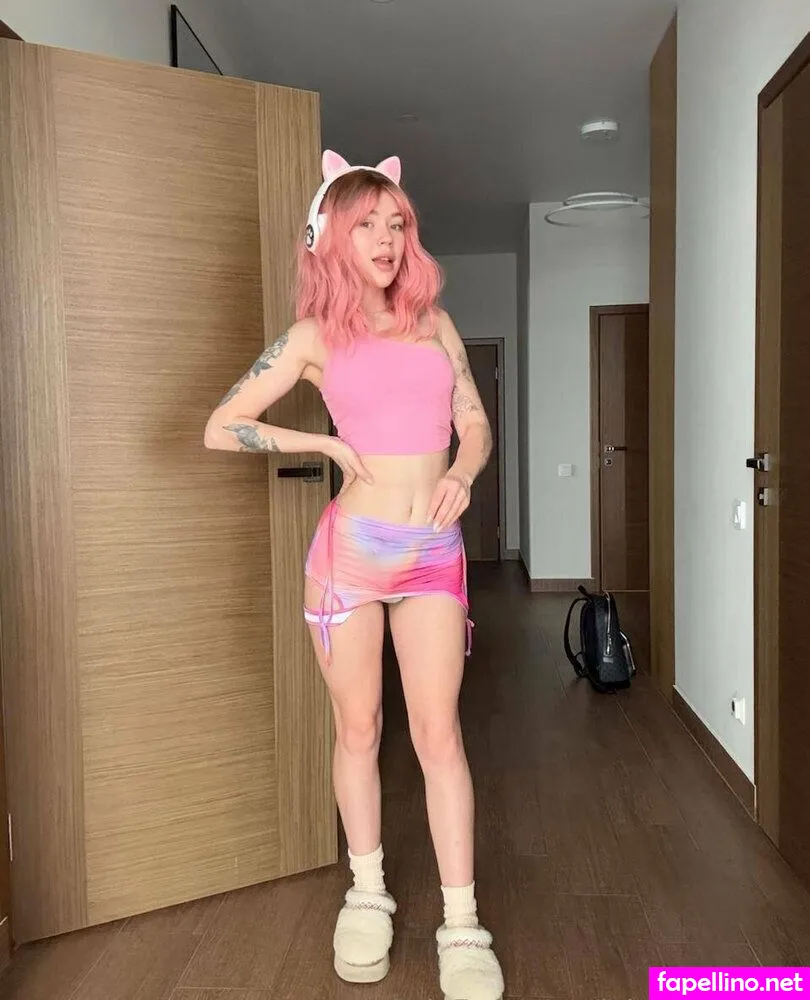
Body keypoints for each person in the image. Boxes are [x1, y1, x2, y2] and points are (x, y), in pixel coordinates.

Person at [204, 149, 504, 1000]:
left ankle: (461, 922)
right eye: (366, 222)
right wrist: (324, 444)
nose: (385, 238)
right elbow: (222, 426)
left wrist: (464, 472)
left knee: (439, 736)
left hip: (433, 553)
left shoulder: (435, 323)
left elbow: (475, 421)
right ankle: (367, 892)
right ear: (330, 235)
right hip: (352, 556)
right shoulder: (312, 337)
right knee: (360, 729)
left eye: (396, 222)